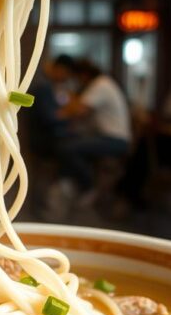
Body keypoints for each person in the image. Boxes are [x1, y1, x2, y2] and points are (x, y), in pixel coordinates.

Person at [47, 60, 132, 216]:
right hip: (112, 139)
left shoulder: (101, 85)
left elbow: (80, 110)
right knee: (69, 146)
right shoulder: (103, 83)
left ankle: (88, 187)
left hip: (115, 141)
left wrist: (57, 114)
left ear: (84, 75)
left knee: (67, 148)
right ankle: (72, 191)